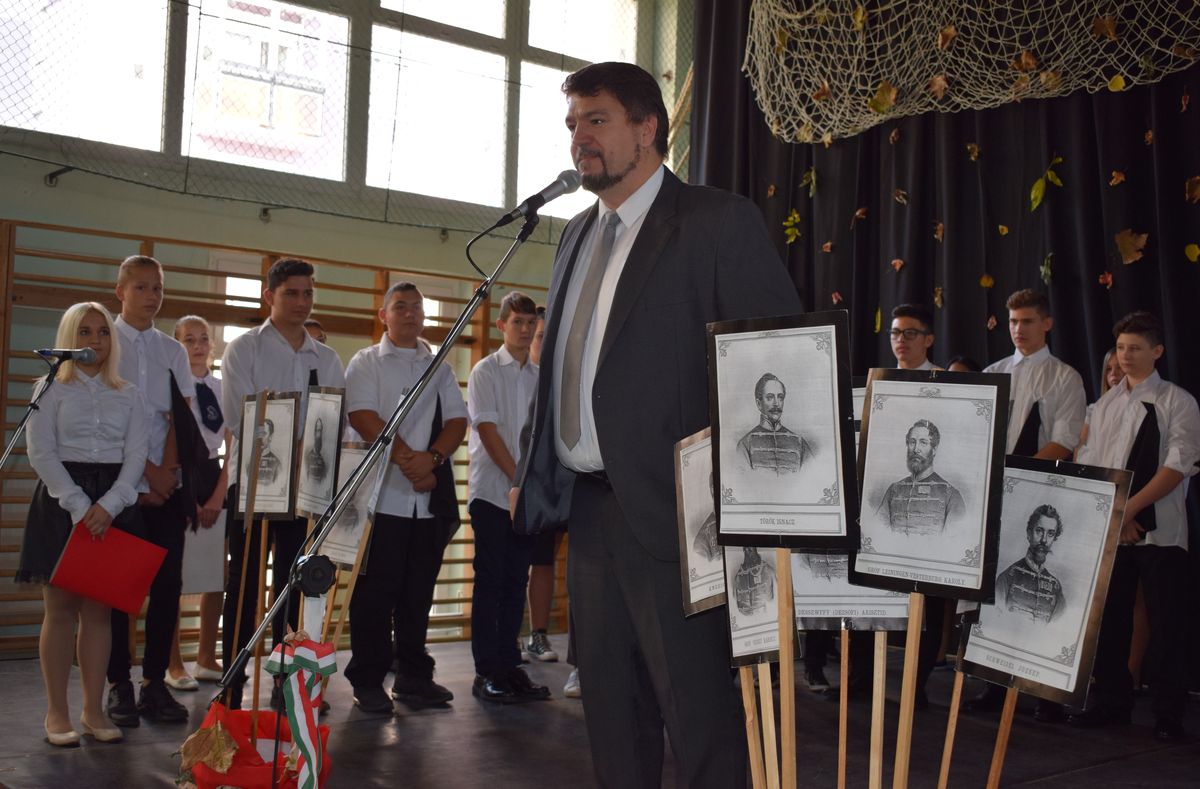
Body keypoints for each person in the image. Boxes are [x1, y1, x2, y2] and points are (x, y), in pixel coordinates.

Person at [512, 62, 801, 787]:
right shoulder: (575, 235)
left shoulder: (715, 221)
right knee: (611, 717)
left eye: (597, 120)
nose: (579, 137)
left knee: (698, 720)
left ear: (647, 129)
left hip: (681, 515)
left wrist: (748, 499)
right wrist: (535, 468)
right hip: (590, 510)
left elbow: (775, 357)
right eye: (572, 123)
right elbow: (563, 367)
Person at [17, 302, 148, 746]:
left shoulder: (130, 394)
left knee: (99, 612)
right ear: (69, 339)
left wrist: (109, 505)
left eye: (103, 332)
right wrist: (77, 504)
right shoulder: (49, 389)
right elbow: (41, 452)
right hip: (62, 500)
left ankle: (93, 710)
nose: (95, 340)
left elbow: (136, 455)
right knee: (60, 610)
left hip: (113, 502)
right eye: (85, 332)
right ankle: (57, 712)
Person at [219, 257, 345, 710]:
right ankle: (231, 685)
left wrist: (309, 447)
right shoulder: (244, 348)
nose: (301, 301)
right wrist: (293, 441)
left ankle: (287, 683)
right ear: (269, 296)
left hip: (305, 490)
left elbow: (333, 420)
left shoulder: (327, 358)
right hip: (257, 484)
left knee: (296, 587)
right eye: (291, 293)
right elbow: (240, 416)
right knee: (245, 587)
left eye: (308, 293)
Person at [1070, 311, 1199, 742]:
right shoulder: (1106, 403)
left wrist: (1130, 509)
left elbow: (1177, 466)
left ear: (1157, 351)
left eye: (1135, 348)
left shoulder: (1177, 400)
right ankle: (1112, 701)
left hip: (1161, 531)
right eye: (1122, 347)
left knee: (1166, 622)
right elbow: (1091, 463)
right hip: (1113, 526)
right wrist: (1114, 515)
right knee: (1110, 620)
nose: (1125, 356)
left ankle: (1168, 712)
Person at [342, 281, 466, 714]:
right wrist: (410, 460)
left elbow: (456, 421)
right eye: (400, 306)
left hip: (425, 500)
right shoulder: (366, 362)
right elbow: (362, 416)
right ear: (384, 315)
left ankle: (414, 676)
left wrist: (432, 459)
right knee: (375, 596)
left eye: (417, 307)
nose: (410, 313)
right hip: (382, 499)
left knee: (418, 593)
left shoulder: (439, 366)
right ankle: (368, 680)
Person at [967, 289, 1085, 719]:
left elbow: (1064, 440)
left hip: (1043, 500)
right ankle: (994, 684)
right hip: (996, 497)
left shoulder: (1064, 377)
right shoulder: (993, 372)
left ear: (1047, 323)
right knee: (1000, 591)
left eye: (1028, 321)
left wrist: (1017, 479)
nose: (1019, 329)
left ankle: (1044, 693)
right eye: (1014, 321)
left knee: (1042, 595)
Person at [106, 255, 197, 726]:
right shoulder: (104, 341)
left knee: (166, 589)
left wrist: (165, 475)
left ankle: (154, 682)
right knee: (118, 592)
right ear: (120, 291)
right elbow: (108, 423)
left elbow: (181, 416)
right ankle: (118, 684)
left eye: (157, 287)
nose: (151, 296)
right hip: (117, 489)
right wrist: (141, 476)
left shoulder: (172, 350)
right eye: (141, 287)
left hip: (166, 487)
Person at [468, 292, 548, 703]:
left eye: (530, 322)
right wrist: (519, 479)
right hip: (492, 494)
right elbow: (487, 431)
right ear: (501, 325)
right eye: (517, 322)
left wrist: (531, 485)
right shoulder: (485, 371)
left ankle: (510, 665)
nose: (525, 329)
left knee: (517, 582)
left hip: (526, 497)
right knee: (491, 582)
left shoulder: (539, 377)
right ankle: (487, 672)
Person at [165, 316, 230, 689]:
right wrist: (187, 496)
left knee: (214, 573)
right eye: (189, 339)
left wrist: (218, 494)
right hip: (177, 475)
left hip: (213, 474)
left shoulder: (222, 388)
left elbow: (233, 443)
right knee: (174, 575)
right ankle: (173, 662)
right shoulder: (171, 387)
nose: (198, 345)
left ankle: (206, 656)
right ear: (177, 345)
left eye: (204, 338)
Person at [524, 305, 564, 664]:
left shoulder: (565, 376)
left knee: (576, 564)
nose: (545, 342)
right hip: (531, 485)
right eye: (541, 336)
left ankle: (580, 654)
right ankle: (535, 634)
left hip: (568, 483)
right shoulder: (518, 375)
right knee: (536, 561)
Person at [877, 419, 965, 534]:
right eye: (912, 442)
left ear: (934, 450)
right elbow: (878, 533)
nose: (916, 449)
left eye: (923, 442)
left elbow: (954, 540)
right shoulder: (894, 490)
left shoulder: (951, 495)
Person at [995, 505, 1066, 623]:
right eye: (1039, 531)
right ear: (1029, 534)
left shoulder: (1055, 588)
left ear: (1054, 538)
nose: (1044, 540)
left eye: (1050, 534)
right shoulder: (1006, 579)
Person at [736, 372, 813, 472]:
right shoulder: (745, 444)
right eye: (770, 397)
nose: (776, 403)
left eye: (780, 397)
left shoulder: (799, 443)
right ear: (759, 404)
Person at [889, 304, 940, 370]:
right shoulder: (881, 375)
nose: (900, 339)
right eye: (895, 332)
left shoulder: (942, 376)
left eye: (909, 333)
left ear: (928, 340)